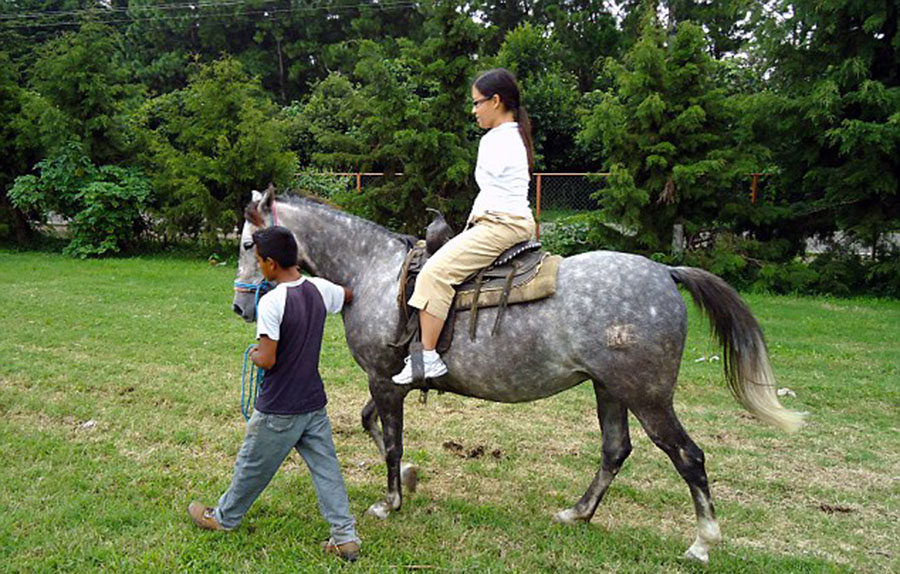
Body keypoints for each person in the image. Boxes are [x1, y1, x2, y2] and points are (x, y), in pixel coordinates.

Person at [188, 226, 362, 562]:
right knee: (327, 469)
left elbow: (267, 359)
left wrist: (253, 354)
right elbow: (349, 295)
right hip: (313, 403)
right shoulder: (319, 289)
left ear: (270, 263)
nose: (260, 267)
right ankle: (345, 537)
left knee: (251, 465)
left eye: (259, 262)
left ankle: (223, 518)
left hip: (279, 408)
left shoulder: (272, 302)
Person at [392, 68, 536, 385]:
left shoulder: (497, 139)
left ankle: (426, 357)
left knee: (434, 273)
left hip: (500, 225)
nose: (474, 111)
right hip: (504, 221)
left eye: (477, 103)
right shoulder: (512, 136)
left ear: (496, 101)